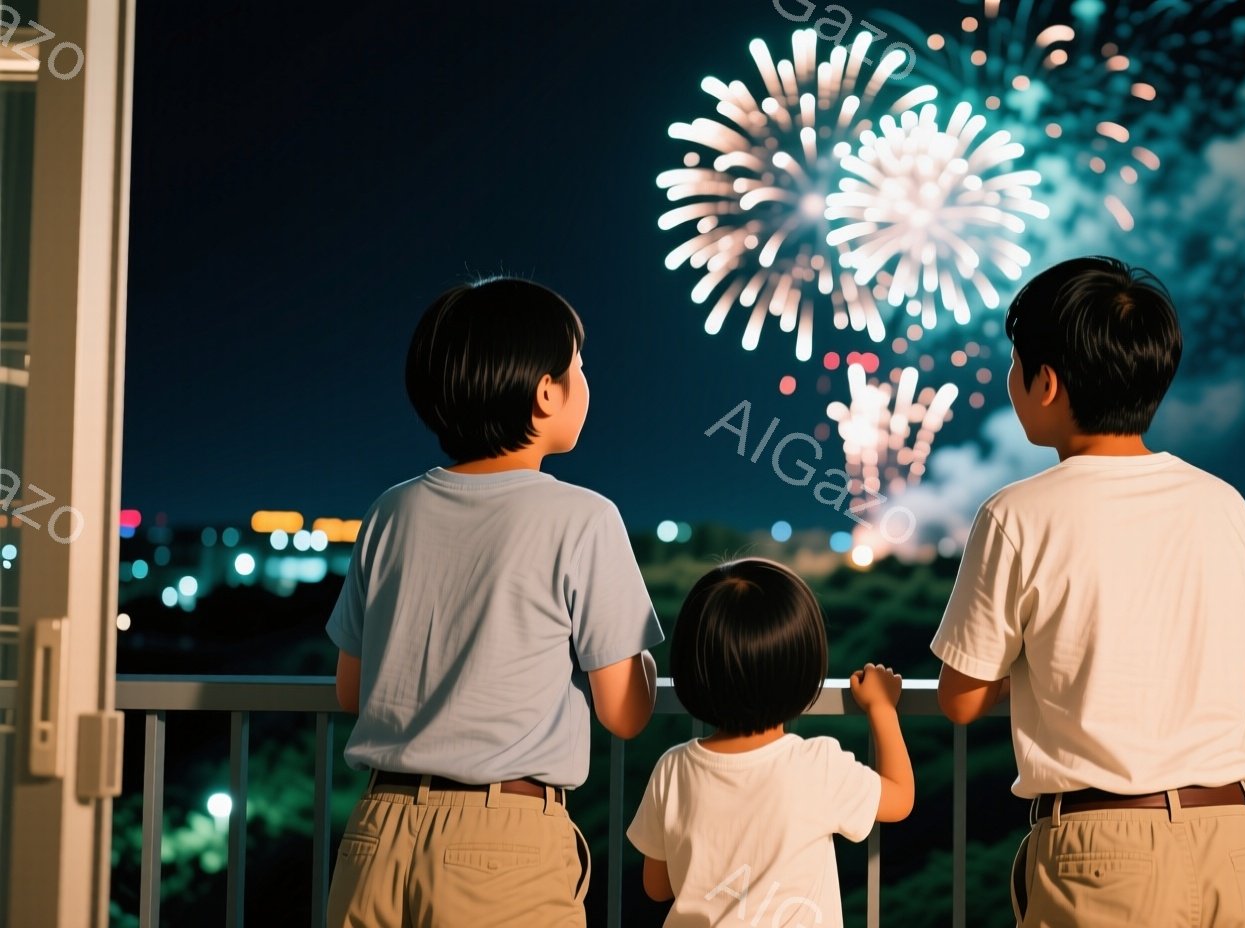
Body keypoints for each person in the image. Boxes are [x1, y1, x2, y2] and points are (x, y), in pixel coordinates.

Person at [930, 257, 1245, 927]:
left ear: (1046, 382)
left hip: (1103, 854)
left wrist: (1039, 667)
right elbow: (1242, 682)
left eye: (1016, 366)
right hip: (1238, 840)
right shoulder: (1224, 504)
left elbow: (960, 697)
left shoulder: (1017, 515)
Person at [324, 277, 662, 927]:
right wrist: (640, 658)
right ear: (544, 393)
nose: (586, 382)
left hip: (375, 833)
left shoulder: (390, 511)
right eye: (578, 368)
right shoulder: (583, 517)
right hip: (500, 842)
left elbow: (351, 691)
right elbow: (622, 712)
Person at [627, 558, 914, 928]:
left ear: (692, 669)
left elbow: (657, 886)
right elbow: (900, 798)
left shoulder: (673, 767)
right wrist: (881, 707)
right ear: (802, 669)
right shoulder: (817, 766)